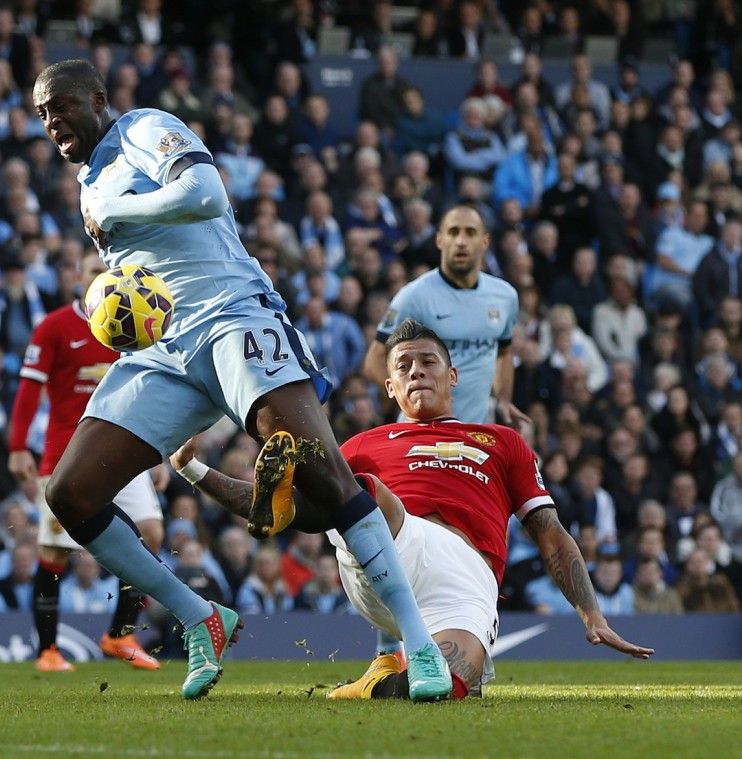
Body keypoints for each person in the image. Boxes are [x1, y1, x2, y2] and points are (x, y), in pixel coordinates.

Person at [32, 59, 450, 701]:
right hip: (163, 349)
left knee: (324, 479)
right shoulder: (89, 182)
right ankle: (202, 616)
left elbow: (206, 196)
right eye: (43, 114)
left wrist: (124, 203)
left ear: (97, 98)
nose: (54, 120)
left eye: (62, 105)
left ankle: (421, 647)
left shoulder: (145, 129)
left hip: (231, 317)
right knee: (71, 493)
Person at [173, 321, 654, 700]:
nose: (416, 371)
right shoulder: (363, 444)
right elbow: (270, 505)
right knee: (363, 491)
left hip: (467, 578)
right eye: (403, 365)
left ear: (453, 376)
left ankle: (379, 678)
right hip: (380, 553)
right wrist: (193, 469)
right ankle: (310, 499)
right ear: (388, 386)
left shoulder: (502, 441)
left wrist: (591, 613)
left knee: (447, 686)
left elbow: (549, 532)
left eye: (428, 362)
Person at [8, 252, 165, 673]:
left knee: (150, 532)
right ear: (79, 277)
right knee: (55, 553)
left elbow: (152, 395)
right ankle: (48, 650)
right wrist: (18, 445)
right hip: (67, 455)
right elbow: (28, 391)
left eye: (110, 274)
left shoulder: (134, 328)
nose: (104, 281)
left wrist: (162, 451)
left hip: (125, 452)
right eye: (96, 273)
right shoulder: (55, 327)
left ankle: (120, 634)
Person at [363, 204, 525, 426]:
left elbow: (504, 352)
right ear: (439, 240)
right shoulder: (414, 296)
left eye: (470, 232)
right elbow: (374, 360)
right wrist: (409, 397)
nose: (461, 241)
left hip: (475, 432)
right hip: (421, 430)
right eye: (453, 232)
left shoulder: (505, 296)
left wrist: (504, 400)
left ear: (484, 242)